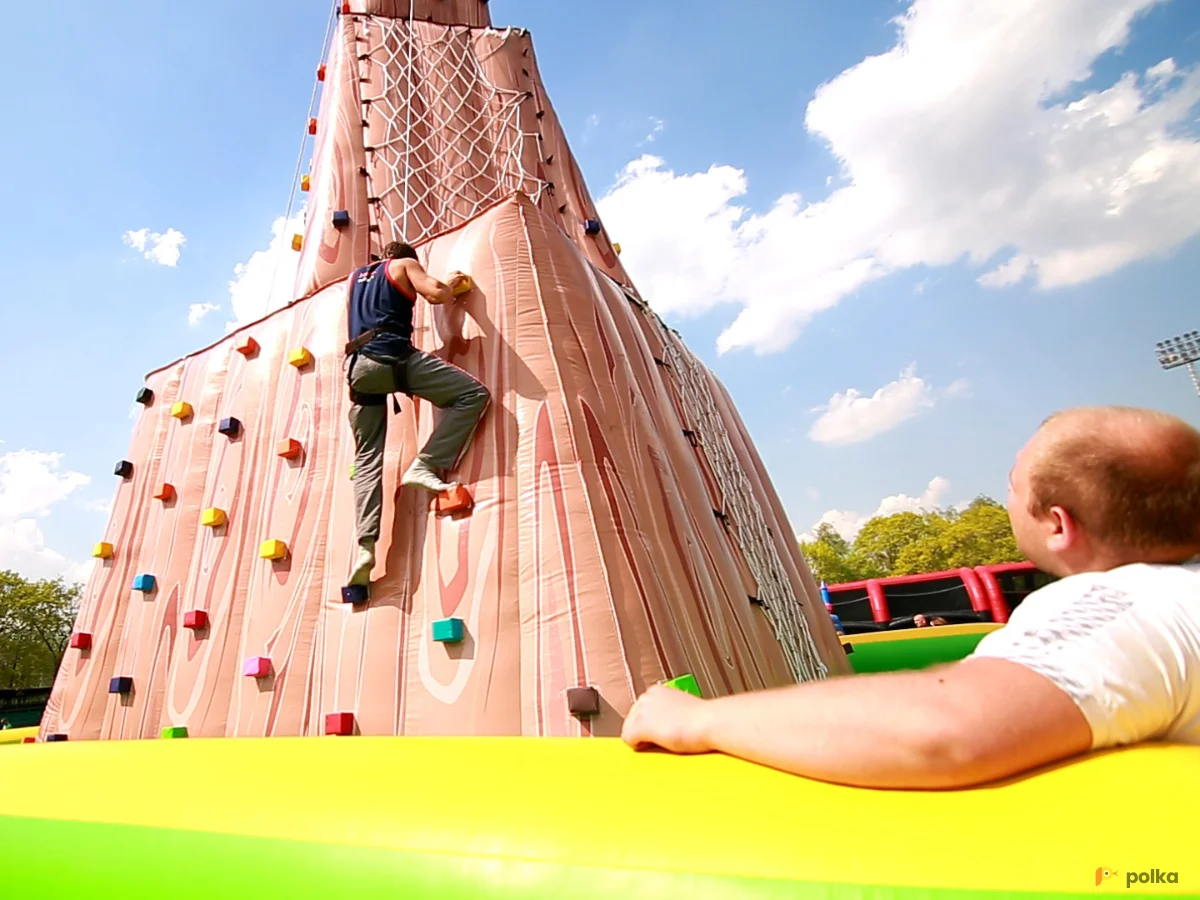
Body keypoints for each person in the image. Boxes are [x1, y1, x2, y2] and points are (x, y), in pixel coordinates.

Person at [622, 406, 1200, 788]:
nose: (1006, 499)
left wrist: (698, 721)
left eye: (1012, 485)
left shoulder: (1128, 607)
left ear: (1057, 524)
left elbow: (948, 728)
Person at [344, 241, 490, 587]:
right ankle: (425, 463)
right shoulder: (403, 265)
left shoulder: (354, 280)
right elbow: (435, 293)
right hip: (389, 356)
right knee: (473, 395)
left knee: (367, 459)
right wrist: (451, 286)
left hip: (356, 368)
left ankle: (365, 547)